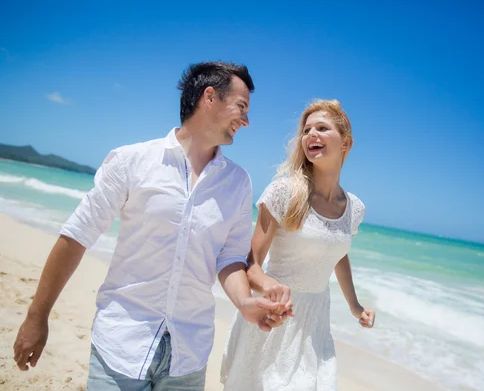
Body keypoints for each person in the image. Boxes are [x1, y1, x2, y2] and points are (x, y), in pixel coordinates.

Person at [13, 61, 287, 390]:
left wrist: (244, 303)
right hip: (121, 345)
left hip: (189, 355)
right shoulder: (132, 160)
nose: (246, 120)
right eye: (241, 107)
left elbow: (230, 258)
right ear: (209, 97)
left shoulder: (238, 183)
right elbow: (77, 235)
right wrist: (37, 316)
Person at [220, 99, 376, 390]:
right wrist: (268, 286)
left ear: (346, 143)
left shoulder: (354, 208)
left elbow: (337, 254)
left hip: (316, 322)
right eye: (306, 130)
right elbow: (251, 263)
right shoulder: (284, 192)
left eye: (322, 128)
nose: (311, 135)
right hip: (276, 319)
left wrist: (355, 306)